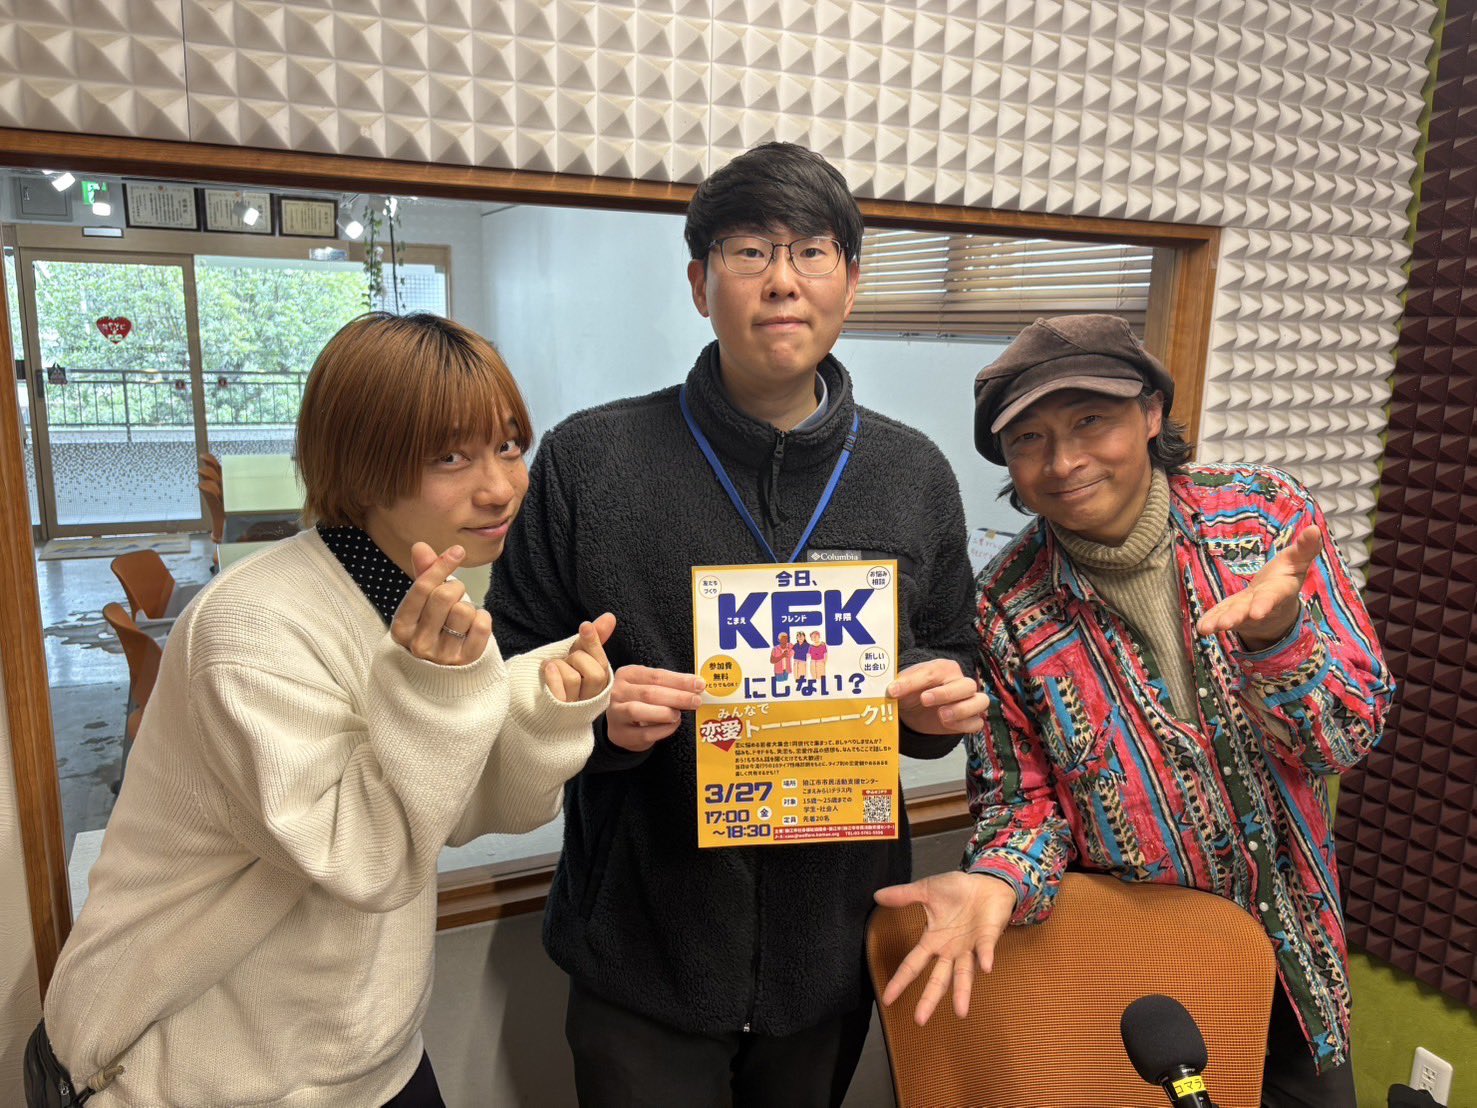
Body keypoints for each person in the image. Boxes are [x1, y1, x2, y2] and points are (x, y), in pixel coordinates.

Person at [491, 142, 985, 1107]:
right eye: (750, 251)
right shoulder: (590, 460)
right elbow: (510, 671)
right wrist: (591, 716)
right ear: (698, 283)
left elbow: (951, 653)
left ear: (850, 281)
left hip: (828, 953)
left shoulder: (911, 473)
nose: (781, 281)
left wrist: (933, 708)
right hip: (641, 953)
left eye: (811, 252)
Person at [29, 313, 615, 1108]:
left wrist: (546, 711)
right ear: (361, 466)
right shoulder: (255, 623)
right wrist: (437, 696)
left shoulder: (414, 598)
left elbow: (451, 806)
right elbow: (362, 856)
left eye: (510, 446)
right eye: (451, 456)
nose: (501, 486)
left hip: (372, 1059)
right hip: (205, 1076)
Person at [875, 315, 1393, 1108]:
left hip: (1297, 969)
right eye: (1029, 439)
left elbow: (1342, 742)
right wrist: (998, 878)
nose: (1063, 461)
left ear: (1150, 413)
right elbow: (1022, 806)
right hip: (1141, 982)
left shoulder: (1261, 519)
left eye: (1091, 420)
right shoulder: (1005, 606)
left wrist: (1278, 639)